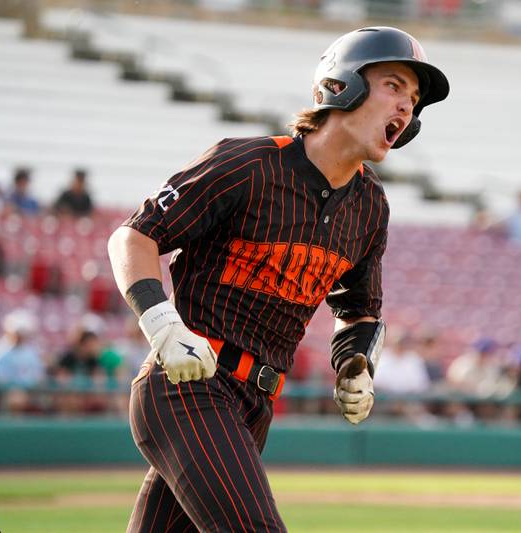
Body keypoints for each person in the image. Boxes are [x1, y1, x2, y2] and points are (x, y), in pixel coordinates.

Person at [107, 26, 449, 532]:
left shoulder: (371, 205)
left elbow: (358, 310)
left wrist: (356, 363)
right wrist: (163, 325)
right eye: (394, 85)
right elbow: (133, 239)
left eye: (415, 100)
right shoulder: (248, 164)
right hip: (187, 388)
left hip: (255, 406)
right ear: (342, 84)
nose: (406, 108)